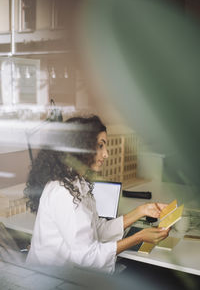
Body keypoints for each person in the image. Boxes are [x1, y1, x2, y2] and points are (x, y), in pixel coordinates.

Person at [24, 115, 169, 273]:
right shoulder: (63, 193)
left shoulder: (76, 183)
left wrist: (141, 211)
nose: (106, 154)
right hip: (50, 281)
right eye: (100, 146)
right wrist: (139, 237)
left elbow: (97, 229)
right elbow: (87, 257)